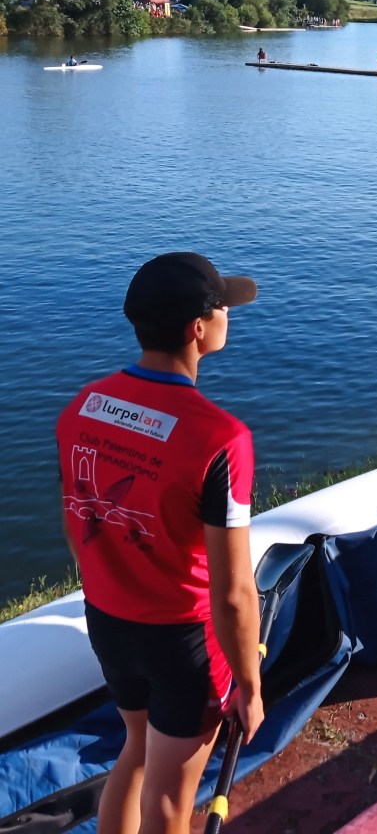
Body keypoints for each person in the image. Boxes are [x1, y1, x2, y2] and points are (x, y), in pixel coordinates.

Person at [56, 252, 264, 834]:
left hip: (108, 622)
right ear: (198, 329)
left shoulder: (83, 408)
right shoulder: (222, 439)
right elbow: (233, 594)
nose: (230, 315)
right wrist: (249, 686)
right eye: (223, 306)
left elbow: (81, 525)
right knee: (172, 802)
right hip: (184, 643)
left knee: (137, 748)